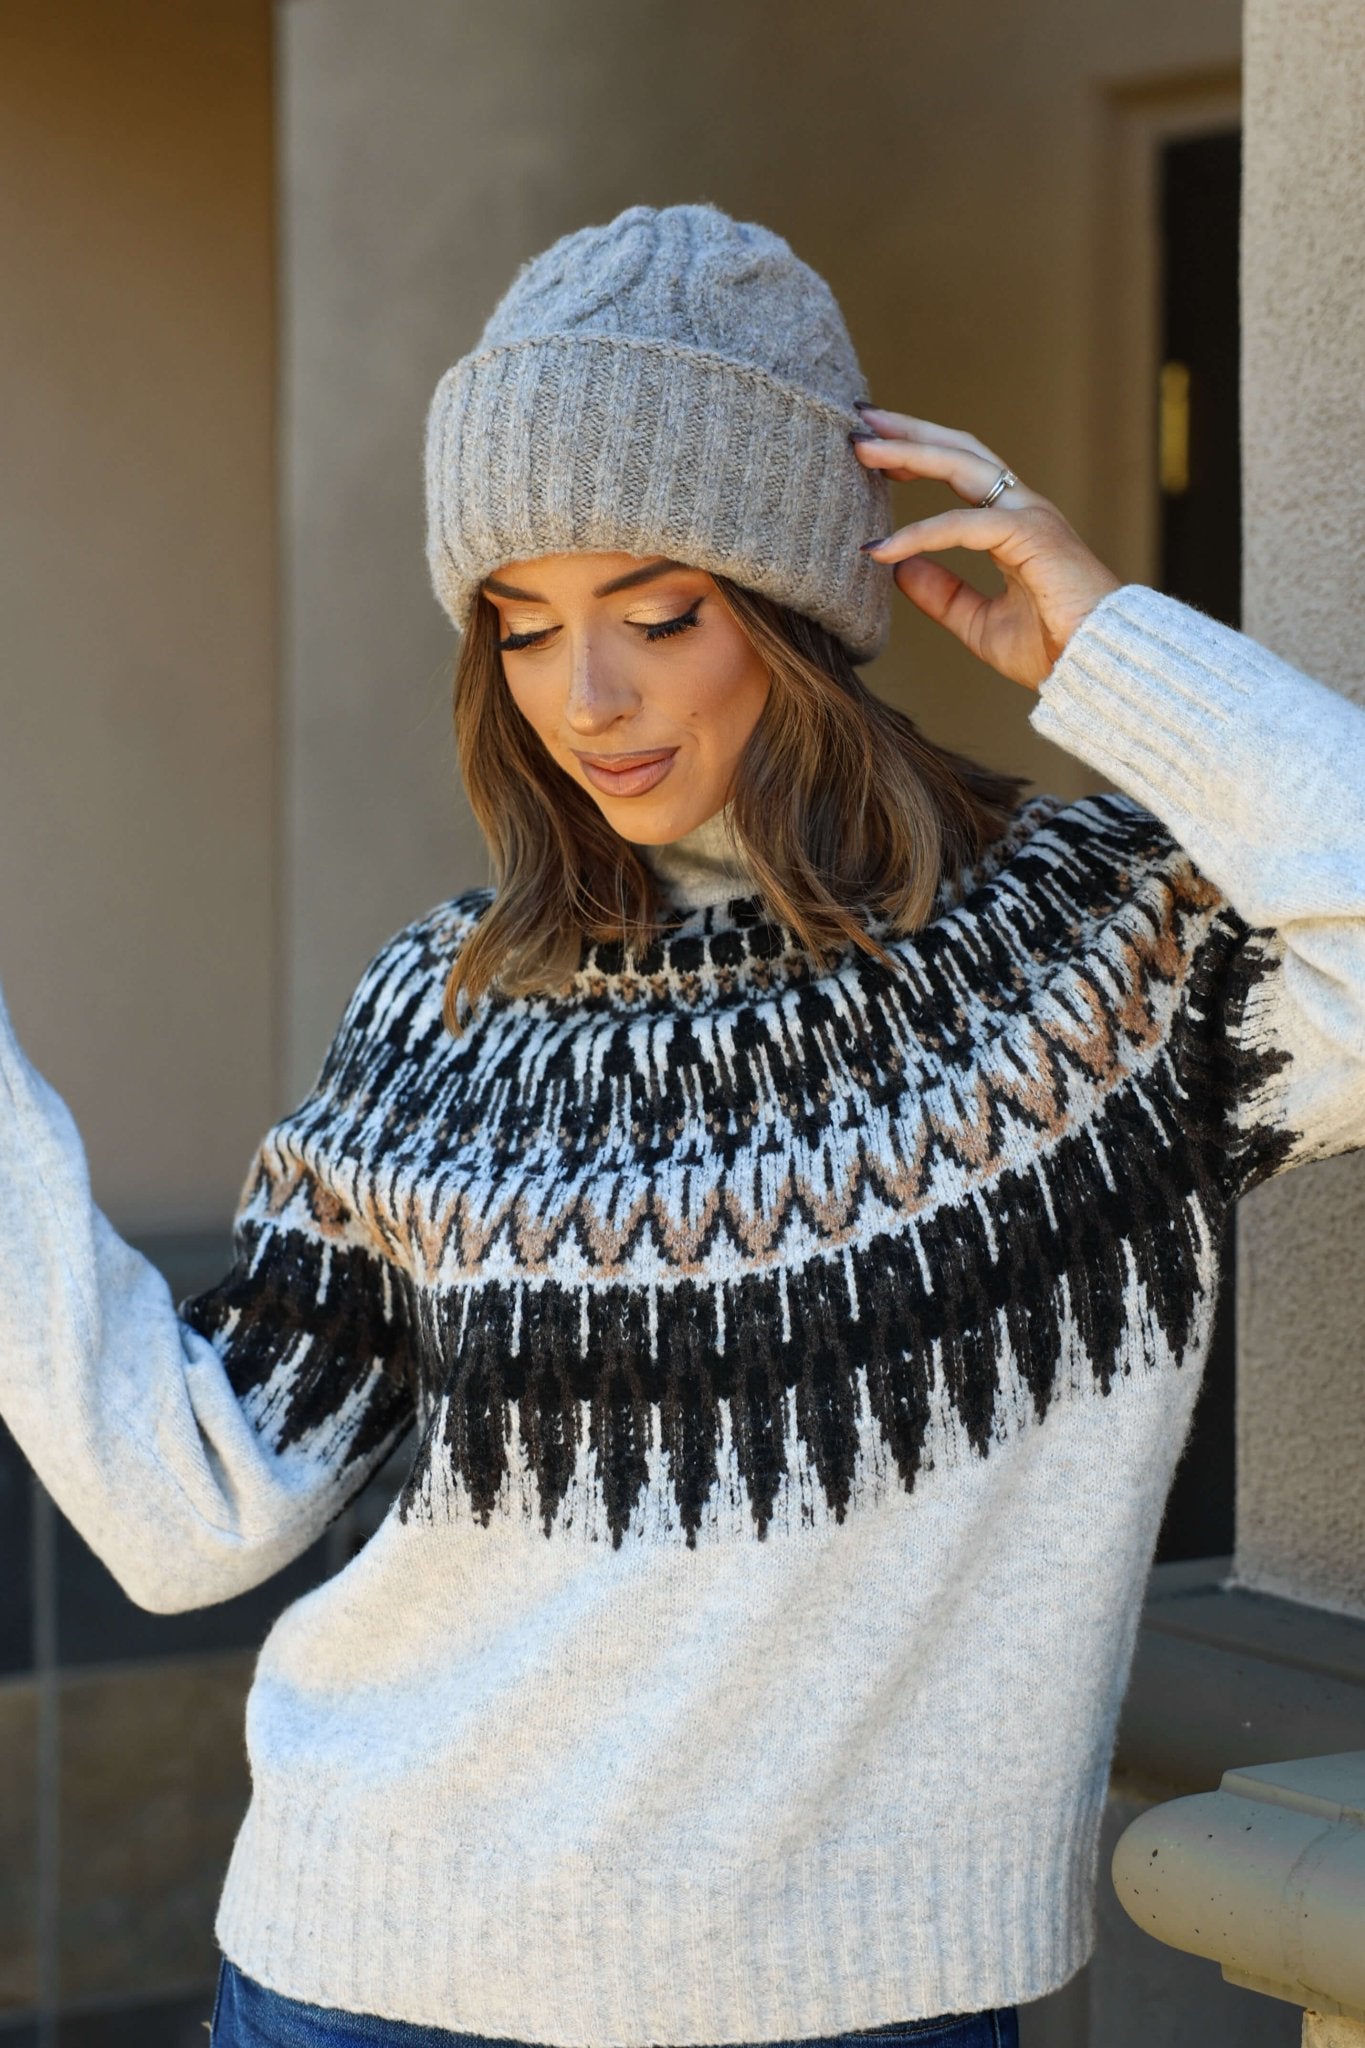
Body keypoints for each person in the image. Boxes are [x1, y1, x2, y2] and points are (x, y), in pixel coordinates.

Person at [2, 201, 1363, 2048]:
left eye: (659, 613)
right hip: (372, 1980)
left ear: (795, 611)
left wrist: (1102, 641)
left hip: (859, 2003)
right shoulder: (455, 1003)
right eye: (523, 624)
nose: (588, 698)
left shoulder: (1088, 962)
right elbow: (197, 1510)